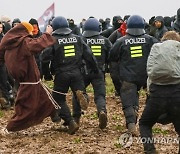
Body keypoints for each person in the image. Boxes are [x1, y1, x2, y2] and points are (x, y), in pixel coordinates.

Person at [40, 16, 99, 134]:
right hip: (77, 72)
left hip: (62, 74)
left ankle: (70, 121)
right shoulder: (77, 38)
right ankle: (83, 97)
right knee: (79, 92)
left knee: (58, 99)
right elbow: (89, 55)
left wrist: (46, 74)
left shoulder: (53, 40)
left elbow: (44, 58)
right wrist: (95, 69)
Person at [0, 21, 58, 134]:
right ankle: (10, 128)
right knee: (26, 108)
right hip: (29, 81)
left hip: (28, 80)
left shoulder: (9, 43)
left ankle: (57, 117)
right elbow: (37, 44)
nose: (31, 34)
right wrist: (47, 34)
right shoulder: (23, 42)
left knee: (46, 100)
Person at [109, 15, 158, 136]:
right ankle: (146, 120)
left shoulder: (121, 41)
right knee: (152, 100)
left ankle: (131, 123)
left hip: (128, 77)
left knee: (128, 101)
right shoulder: (151, 40)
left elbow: (112, 59)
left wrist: (116, 80)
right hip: (147, 76)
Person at [139, 31, 180, 154]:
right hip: (177, 93)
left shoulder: (156, 48)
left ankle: (150, 149)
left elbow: (150, 75)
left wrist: (149, 95)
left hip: (157, 94)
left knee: (144, 123)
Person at [72, 17, 112, 129]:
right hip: (99, 71)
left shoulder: (80, 40)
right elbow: (111, 56)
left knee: (78, 94)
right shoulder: (105, 40)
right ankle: (102, 111)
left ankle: (76, 119)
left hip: (82, 72)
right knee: (100, 95)